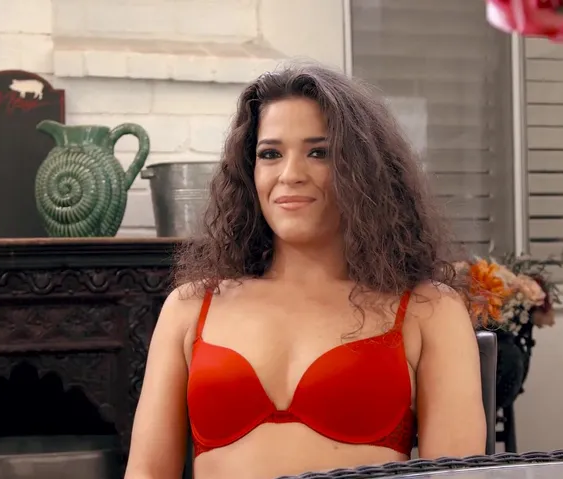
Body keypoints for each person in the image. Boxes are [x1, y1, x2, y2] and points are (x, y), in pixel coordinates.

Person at [124, 62, 486, 479]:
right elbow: (146, 473)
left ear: (364, 171)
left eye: (319, 152)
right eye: (270, 154)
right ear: (249, 171)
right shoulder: (190, 307)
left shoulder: (428, 310)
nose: (290, 175)